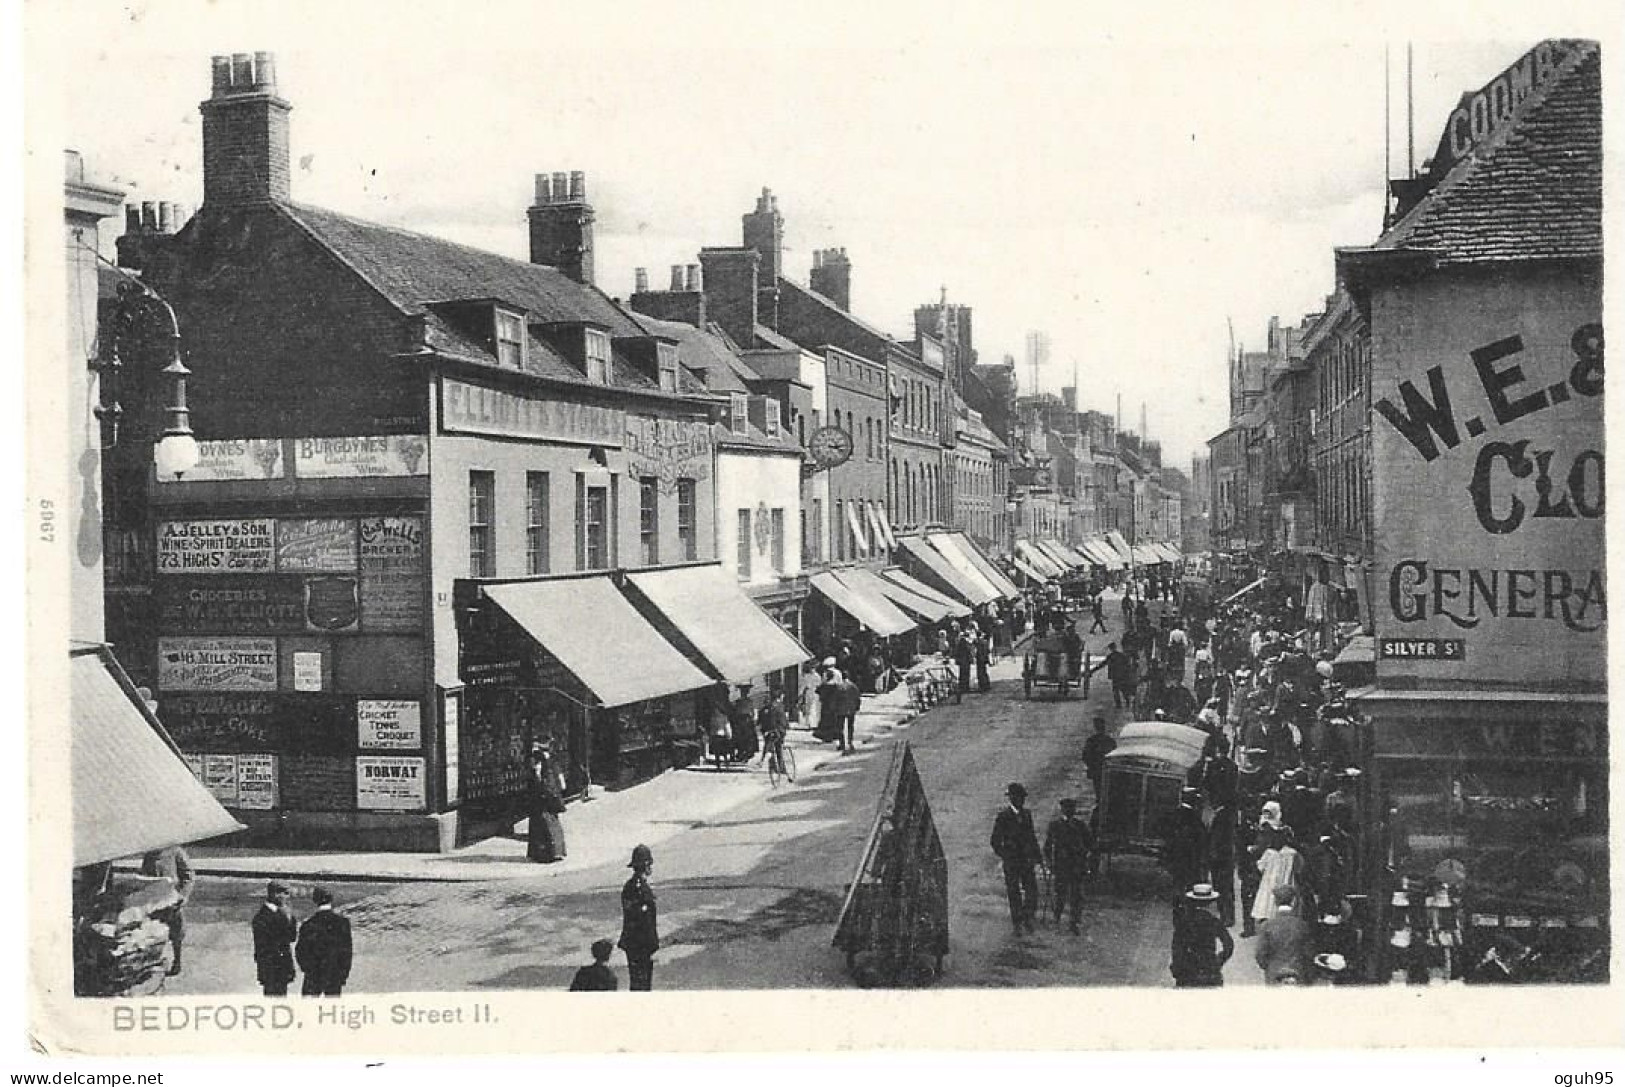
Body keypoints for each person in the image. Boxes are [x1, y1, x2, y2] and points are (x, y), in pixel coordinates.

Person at [990, 783, 1042, 934]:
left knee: (1032, 890)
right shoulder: (1003, 817)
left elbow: (1031, 837)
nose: (1021, 800)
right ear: (1011, 798)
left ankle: (1028, 917)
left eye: (1023, 798)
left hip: (1026, 860)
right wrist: (1005, 855)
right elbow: (995, 841)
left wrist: (1037, 855)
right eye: (1018, 797)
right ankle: (1017, 923)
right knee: (1014, 892)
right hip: (1012, 861)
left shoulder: (1027, 815)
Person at [140, 845, 193, 976]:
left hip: (173, 899)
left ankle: (177, 961)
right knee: (152, 932)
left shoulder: (176, 852)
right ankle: (152, 962)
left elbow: (188, 875)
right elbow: (145, 875)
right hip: (155, 900)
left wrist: (183, 895)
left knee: (177, 932)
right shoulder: (149, 854)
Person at [1043, 798, 1093, 933]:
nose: (1069, 811)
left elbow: (1090, 843)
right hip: (1061, 866)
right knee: (1060, 894)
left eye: (1072, 808)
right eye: (1066, 808)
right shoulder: (1055, 826)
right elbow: (1047, 847)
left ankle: (1074, 923)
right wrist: (1049, 863)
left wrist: (1084, 856)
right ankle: (1057, 919)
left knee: (1076, 896)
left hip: (1076, 866)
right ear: (1062, 810)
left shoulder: (1080, 825)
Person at [1170, 883, 1234, 988]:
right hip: (1209, 968)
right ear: (1211, 902)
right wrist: (1219, 960)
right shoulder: (1213, 921)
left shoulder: (1183, 921)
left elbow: (1177, 948)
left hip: (1188, 971)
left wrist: (1178, 968)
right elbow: (1229, 944)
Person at [295, 886, 353, 997]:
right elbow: (346, 952)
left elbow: (300, 952)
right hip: (334, 973)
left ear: (315, 900)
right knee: (332, 1010)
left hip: (313, 975)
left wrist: (308, 969)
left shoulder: (308, 924)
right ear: (331, 899)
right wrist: (343, 974)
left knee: (308, 1009)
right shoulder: (342, 923)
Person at [618, 844, 659, 991]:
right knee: (641, 983)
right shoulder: (638, 888)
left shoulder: (632, 885)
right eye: (649, 864)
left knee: (638, 981)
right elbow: (643, 920)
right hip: (640, 944)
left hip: (635, 943)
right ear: (646, 865)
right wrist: (652, 943)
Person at [1253, 885, 1313, 985]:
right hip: (1298, 971)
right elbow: (1309, 952)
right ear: (1293, 902)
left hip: (1274, 972)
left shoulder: (1267, 926)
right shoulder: (1302, 925)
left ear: (1275, 902)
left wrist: (1269, 967)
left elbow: (1260, 954)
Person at [251, 880, 298, 997]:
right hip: (271, 969)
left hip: (281, 968)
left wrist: (289, 918)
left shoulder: (280, 913)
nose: (287, 898)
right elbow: (273, 942)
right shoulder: (262, 917)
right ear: (276, 894)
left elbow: (292, 937)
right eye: (285, 894)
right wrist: (286, 919)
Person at [526, 742, 567, 863]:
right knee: (553, 824)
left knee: (542, 825)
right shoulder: (554, 763)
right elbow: (563, 784)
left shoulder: (540, 765)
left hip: (541, 799)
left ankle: (544, 853)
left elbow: (537, 782)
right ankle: (557, 851)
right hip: (552, 798)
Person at [1162, 787, 1207, 895]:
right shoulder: (1193, 817)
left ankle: (1178, 904)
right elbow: (1200, 838)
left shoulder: (1175, 813)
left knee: (1178, 883)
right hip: (1189, 857)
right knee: (1188, 886)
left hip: (1176, 856)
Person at [1081, 716, 1115, 797]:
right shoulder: (1109, 740)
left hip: (1100, 772)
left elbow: (1085, 756)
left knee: (1100, 792)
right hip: (1104, 772)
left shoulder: (1093, 741)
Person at [729, 685, 758, 762]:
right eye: (743, 692)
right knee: (740, 738)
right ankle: (741, 753)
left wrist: (753, 720)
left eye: (745, 692)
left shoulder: (749, 701)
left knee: (747, 739)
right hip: (741, 721)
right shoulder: (738, 702)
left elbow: (753, 712)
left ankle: (746, 754)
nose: (743, 693)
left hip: (747, 721)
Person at [837, 669, 862, 753]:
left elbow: (834, 699)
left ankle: (842, 743)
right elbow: (858, 697)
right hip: (851, 709)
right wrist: (857, 707)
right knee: (850, 726)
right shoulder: (853, 686)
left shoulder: (838, 686)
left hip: (840, 709)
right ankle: (850, 742)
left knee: (840, 727)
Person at [1104, 643, 1133, 710]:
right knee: (1123, 689)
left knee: (1116, 690)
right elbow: (1128, 665)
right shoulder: (1122, 655)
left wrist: (1092, 671)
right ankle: (1127, 702)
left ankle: (1119, 704)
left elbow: (1102, 664)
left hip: (1115, 676)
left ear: (1111, 649)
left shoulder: (1110, 656)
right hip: (1122, 676)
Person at [953, 630, 974, 694]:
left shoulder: (961, 642)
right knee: (965, 674)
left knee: (962, 674)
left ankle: (963, 687)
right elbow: (968, 651)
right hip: (965, 661)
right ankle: (965, 688)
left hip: (962, 661)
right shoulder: (964, 642)